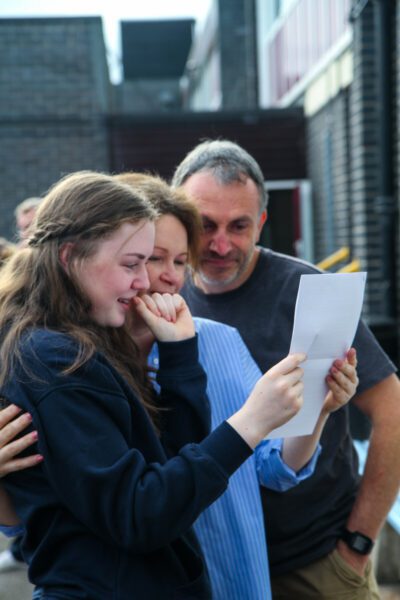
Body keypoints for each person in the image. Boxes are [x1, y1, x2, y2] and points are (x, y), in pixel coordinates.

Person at [0, 171, 357, 599]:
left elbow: (176, 460)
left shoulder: (95, 344)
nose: (150, 279)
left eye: (180, 261)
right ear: (70, 256)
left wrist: (180, 356)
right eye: (138, 262)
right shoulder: (56, 358)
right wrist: (249, 421)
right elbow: (138, 513)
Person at [172, 139, 400, 599]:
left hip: (313, 563)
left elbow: (392, 407)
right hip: (205, 566)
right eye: (205, 225)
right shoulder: (159, 292)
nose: (220, 244)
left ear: (261, 222)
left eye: (238, 226)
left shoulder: (308, 291)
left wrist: (358, 541)